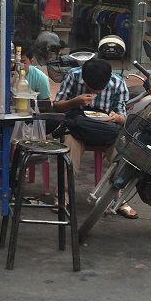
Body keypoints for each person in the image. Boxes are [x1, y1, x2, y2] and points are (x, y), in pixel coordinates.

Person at [52, 57, 137, 219]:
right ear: (84, 79)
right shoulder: (73, 76)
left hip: (106, 130)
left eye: (100, 89)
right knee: (68, 151)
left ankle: (120, 200)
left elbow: (123, 118)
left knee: (121, 153)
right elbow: (56, 106)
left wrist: (117, 118)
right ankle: (63, 196)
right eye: (93, 88)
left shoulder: (118, 83)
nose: (96, 92)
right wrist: (75, 101)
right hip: (78, 128)